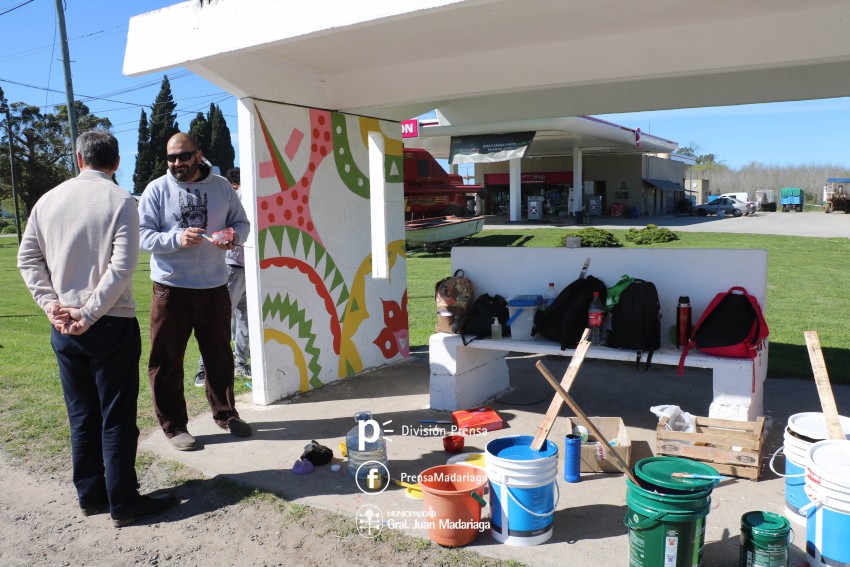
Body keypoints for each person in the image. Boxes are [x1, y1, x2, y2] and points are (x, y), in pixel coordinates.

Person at [18, 130, 175, 527]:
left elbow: (28, 259)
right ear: (116, 162)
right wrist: (87, 314)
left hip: (64, 324)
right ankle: (123, 501)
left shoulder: (48, 200)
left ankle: (90, 495)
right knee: (116, 415)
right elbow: (121, 267)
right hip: (108, 322)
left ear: (78, 158)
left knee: (81, 414)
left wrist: (52, 304)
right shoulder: (121, 200)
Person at [138, 133, 252, 451]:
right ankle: (174, 427)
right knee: (167, 359)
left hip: (215, 286)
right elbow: (142, 236)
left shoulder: (220, 187)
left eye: (183, 156)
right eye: (171, 158)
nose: (177, 163)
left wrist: (233, 235)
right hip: (171, 288)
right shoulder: (157, 190)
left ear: (198, 155)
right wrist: (175, 239)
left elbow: (242, 224)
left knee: (219, 355)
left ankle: (226, 414)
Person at [194, 167, 251, 387]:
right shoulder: (234, 194)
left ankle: (241, 364)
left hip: (249, 268)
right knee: (219, 321)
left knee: (245, 319)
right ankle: (203, 370)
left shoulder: (242, 192)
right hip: (233, 267)